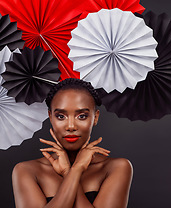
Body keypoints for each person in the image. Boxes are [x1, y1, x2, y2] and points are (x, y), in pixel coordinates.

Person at [12, 78, 133, 208]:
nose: (70, 126)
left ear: (95, 117)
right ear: (50, 117)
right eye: (60, 116)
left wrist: (73, 170)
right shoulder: (27, 171)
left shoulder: (116, 168)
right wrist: (73, 172)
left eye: (81, 116)